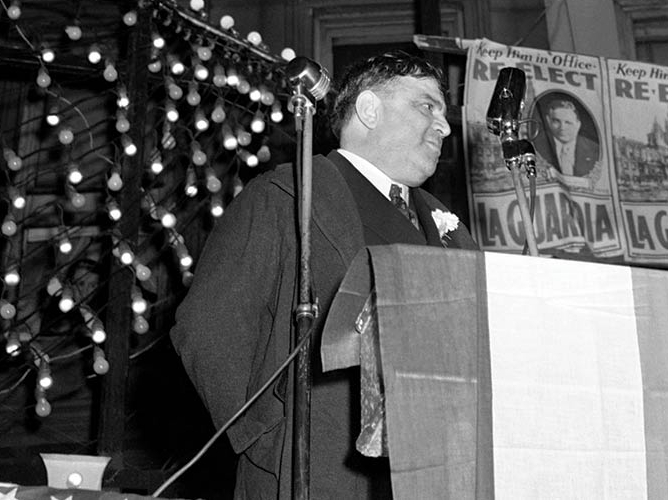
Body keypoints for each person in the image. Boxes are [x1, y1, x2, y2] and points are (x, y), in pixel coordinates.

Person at [173, 51, 479, 500]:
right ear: (369, 109)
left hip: (436, 474)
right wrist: (269, 437)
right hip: (319, 473)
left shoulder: (449, 227)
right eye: (426, 106)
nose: (444, 126)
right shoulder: (287, 196)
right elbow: (208, 328)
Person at [532, 95, 600, 185]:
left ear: (578, 124)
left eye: (568, 122)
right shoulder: (535, 145)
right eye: (556, 121)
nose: (562, 128)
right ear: (548, 121)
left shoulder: (594, 150)